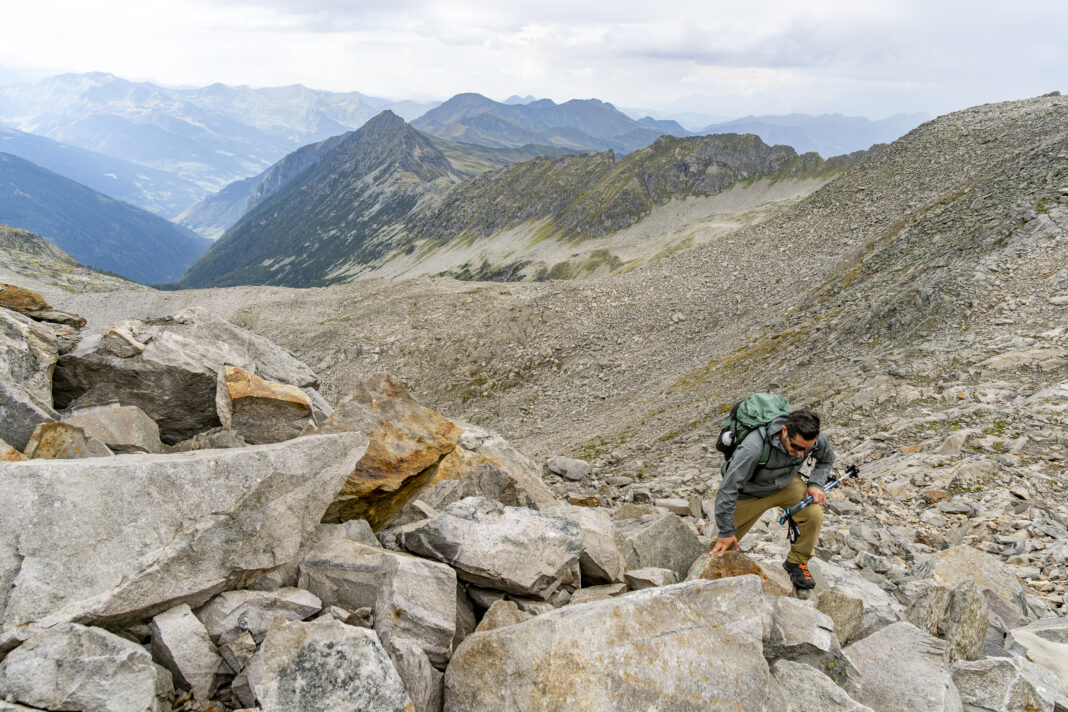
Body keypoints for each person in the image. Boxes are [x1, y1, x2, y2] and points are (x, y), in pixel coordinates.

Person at [710, 409, 835, 588]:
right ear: (784, 430)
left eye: (806, 449)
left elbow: (827, 459)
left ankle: (796, 562)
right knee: (720, 546)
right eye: (796, 447)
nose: (801, 453)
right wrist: (726, 531)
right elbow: (728, 488)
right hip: (750, 492)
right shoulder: (753, 448)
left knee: (813, 514)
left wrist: (815, 484)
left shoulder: (813, 440)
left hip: (786, 483)